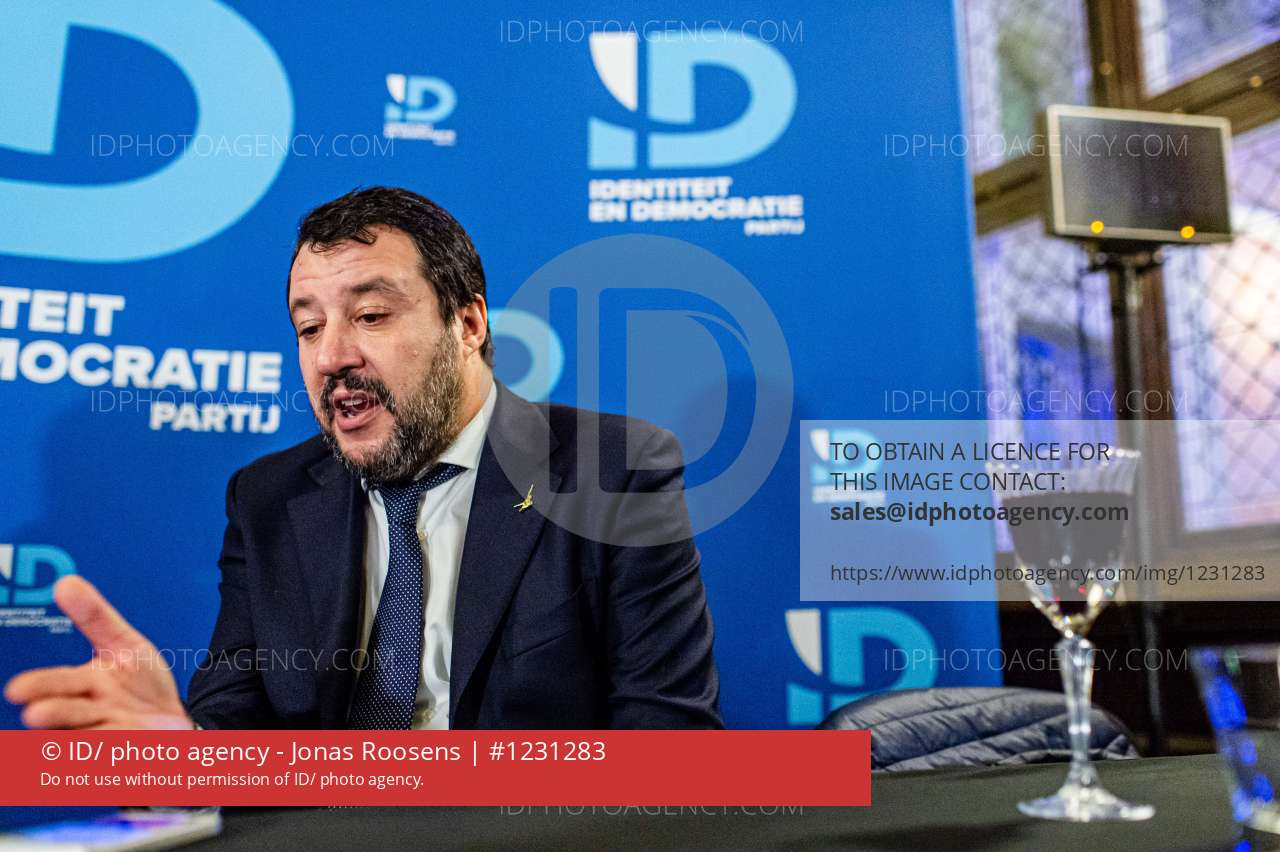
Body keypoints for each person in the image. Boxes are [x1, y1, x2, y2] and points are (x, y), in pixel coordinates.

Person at [5, 187, 722, 730]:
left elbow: (668, 738)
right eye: (308, 327)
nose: (331, 357)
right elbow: (238, 721)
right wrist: (184, 747)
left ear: (468, 323)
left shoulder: (611, 470)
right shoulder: (267, 497)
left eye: (370, 316)